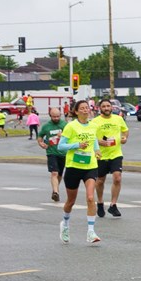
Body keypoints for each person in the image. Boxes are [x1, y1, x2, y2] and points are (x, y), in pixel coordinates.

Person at [56, 99, 102, 244]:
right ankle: (65, 224)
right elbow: (60, 147)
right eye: (81, 108)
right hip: (73, 167)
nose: (85, 110)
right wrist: (77, 145)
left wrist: (96, 149)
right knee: (71, 201)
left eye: (86, 108)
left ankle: (91, 232)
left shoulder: (93, 125)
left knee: (90, 198)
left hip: (90, 166)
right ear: (76, 111)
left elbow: (93, 138)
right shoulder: (71, 126)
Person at [92, 98, 130, 218]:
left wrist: (124, 138)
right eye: (104, 106)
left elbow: (125, 131)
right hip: (101, 155)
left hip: (116, 154)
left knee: (117, 178)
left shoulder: (118, 119)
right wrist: (99, 142)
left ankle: (113, 205)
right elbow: (90, 137)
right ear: (100, 108)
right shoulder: (95, 121)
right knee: (100, 181)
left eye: (108, 106)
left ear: (112, 107)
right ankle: (100, 202)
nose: (107, 108)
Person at [37, 107, 67, 202]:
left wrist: (63, 136)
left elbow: (72, 136)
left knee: (60, 174)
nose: (56, 118)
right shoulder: (46, 126)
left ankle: (55, 189)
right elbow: (40, 136)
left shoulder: (65, 125)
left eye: (58, 116)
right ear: (50, 116)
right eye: (54, 117)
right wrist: (41, 143)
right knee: (54, 172)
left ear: (60, 115)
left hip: (63, 153)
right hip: (51, 152)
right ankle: (56, 192)